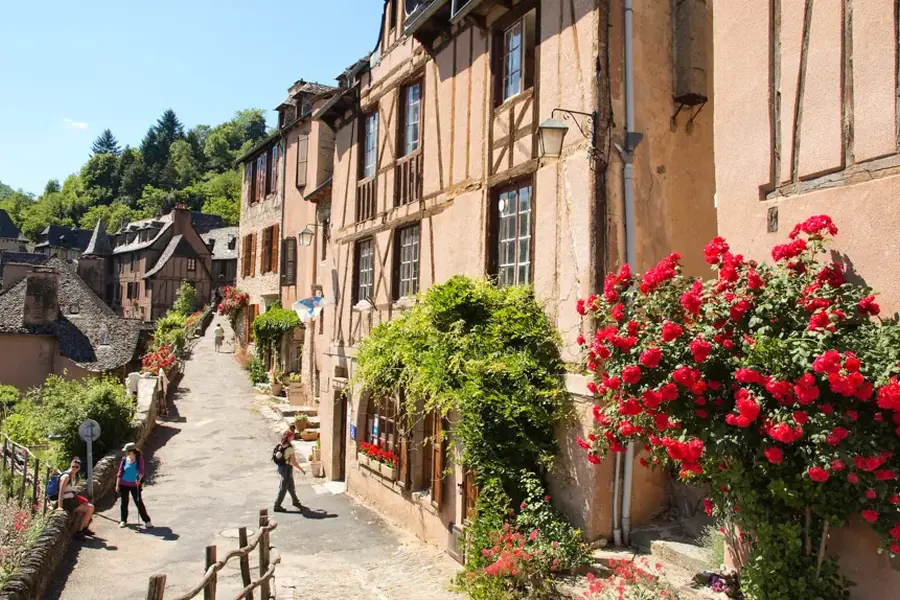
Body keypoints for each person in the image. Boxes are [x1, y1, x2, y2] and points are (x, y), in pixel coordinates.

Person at [116, 442, 152, 529]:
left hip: (134, 484)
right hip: (124, 484)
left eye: (126, 451)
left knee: (138, 502)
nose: (125, 452)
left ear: (131, 451)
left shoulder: (139, 459)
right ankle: (123, 520)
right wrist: (117, 484)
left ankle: (147, 521)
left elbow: (141, 471)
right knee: (124, 502)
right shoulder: (124, 459)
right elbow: (120, 472)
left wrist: (139, 480)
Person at [56, 458, 95, 539]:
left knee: (90, 506)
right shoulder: (66, 476)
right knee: (89, 509)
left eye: (76, 467)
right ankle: (79, 532)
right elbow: (61, 491)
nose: (74, 468)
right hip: (67, 502)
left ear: (79, 468)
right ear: (70, 465)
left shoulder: (73, 475)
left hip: (72, 499)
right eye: (73, 466)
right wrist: (60, 506)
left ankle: (85, 528)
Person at [273, 428, 305, 512]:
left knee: (291, 485)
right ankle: (277, 505)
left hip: (281, 468)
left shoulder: (280, 444)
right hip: (287, 468)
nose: (293, 437)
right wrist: (301, 469)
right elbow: (294, 462)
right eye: (292, 436)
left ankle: (295, 501)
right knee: (283, 488)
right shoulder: (290, 448)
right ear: (289, 437)